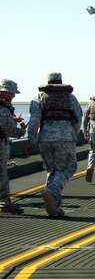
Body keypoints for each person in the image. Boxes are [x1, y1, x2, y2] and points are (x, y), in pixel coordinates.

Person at [26, 72, 82, 217]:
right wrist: (72, 133)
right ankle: (51, 191)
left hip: (44, 137)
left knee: (51, 169)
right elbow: (78, 118)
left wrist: (31, 140)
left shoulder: (39, 98)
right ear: (61, 81)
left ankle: (55, 207)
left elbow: (34, 121)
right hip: (65, 137)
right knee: (68, 168)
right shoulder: (70, 98)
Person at [0, 79, 27, 214]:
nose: (14, 96)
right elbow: (9, 130)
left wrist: (13, 120)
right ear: (4, 92)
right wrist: (21, 131)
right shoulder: (3, 109)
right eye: (12, 93)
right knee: (2, 174)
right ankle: (4, 203)